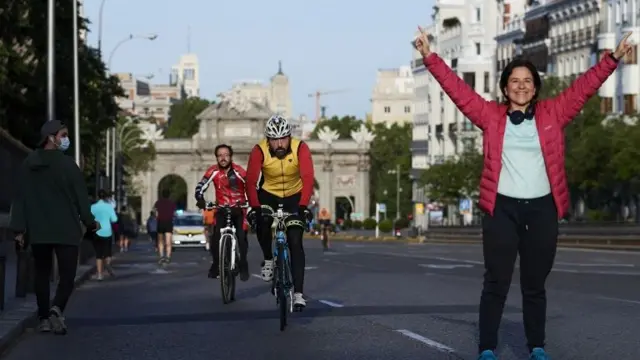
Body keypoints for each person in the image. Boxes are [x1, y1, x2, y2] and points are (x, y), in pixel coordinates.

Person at [414, 28, 634, 360]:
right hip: (501, 209)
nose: (521, 85)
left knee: (534, 285)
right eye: (514, 80)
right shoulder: (489, 116)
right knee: (496, 282)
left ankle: (537, 347)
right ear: (505, 87)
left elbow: (584, 88)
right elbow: (458, 91)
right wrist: (430, 57)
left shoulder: (553, 114)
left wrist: (613, 58)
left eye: (527, 80)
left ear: (535, 87)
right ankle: (487, 347)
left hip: (542, 209)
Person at [10, 120, 99, 334]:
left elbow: (20, 199)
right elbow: (81, 199)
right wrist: (89, 222)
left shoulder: (28, 164)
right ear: (51, 137)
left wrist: (19, 229)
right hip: (66, 229)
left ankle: (43, 318)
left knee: (42, 273)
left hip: (38, 229)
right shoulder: (68, 165)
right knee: (67, 275)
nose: (66, 139)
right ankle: (56, 309)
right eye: (64, 135)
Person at [245, 115, 314, 309]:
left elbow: (308, 178)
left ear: (289, 137)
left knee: (294, 240)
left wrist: (302, 207)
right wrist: (255, 208)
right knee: (263, 221)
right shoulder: (259, 150)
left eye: (283, 138)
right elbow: (251, 182)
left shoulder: (301, 148)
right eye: (274, 140)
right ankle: (268, 258)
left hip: (294, 196)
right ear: (268, 140)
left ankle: (299, 293)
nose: (279, 144)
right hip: (268, 194)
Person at [194, 144, 250, 280]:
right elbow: (201, 185)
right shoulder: (213, 171)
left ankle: (243, 264)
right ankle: (216, 264)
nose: (223, 158)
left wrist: (252, 202)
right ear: (216, 158)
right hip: (221, 209)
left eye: (226, 155)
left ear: (231, 157)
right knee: (215, 239)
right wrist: (200, 198)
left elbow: (250, 185)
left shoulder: (239, 171)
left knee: (242, 238)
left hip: (239, 209)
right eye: (220, 155)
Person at [91, 189, 118, 280]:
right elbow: (114, 219)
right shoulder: (109, 207)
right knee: (108, 253)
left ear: (97, 197)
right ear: (106, 197)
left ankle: (99, 275)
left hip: (96, 231)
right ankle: (107, 265)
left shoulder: (93, 207)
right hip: (107, 231)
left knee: (98, 254)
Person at [154, 190, 177, 264]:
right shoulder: (172, 203)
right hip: (168, 223)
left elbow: (156, 213)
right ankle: (168, 257)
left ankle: (161, 257)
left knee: (160, 241)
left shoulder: (158, 203)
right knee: (168, 242)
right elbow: (174, 214)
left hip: (160, 223)